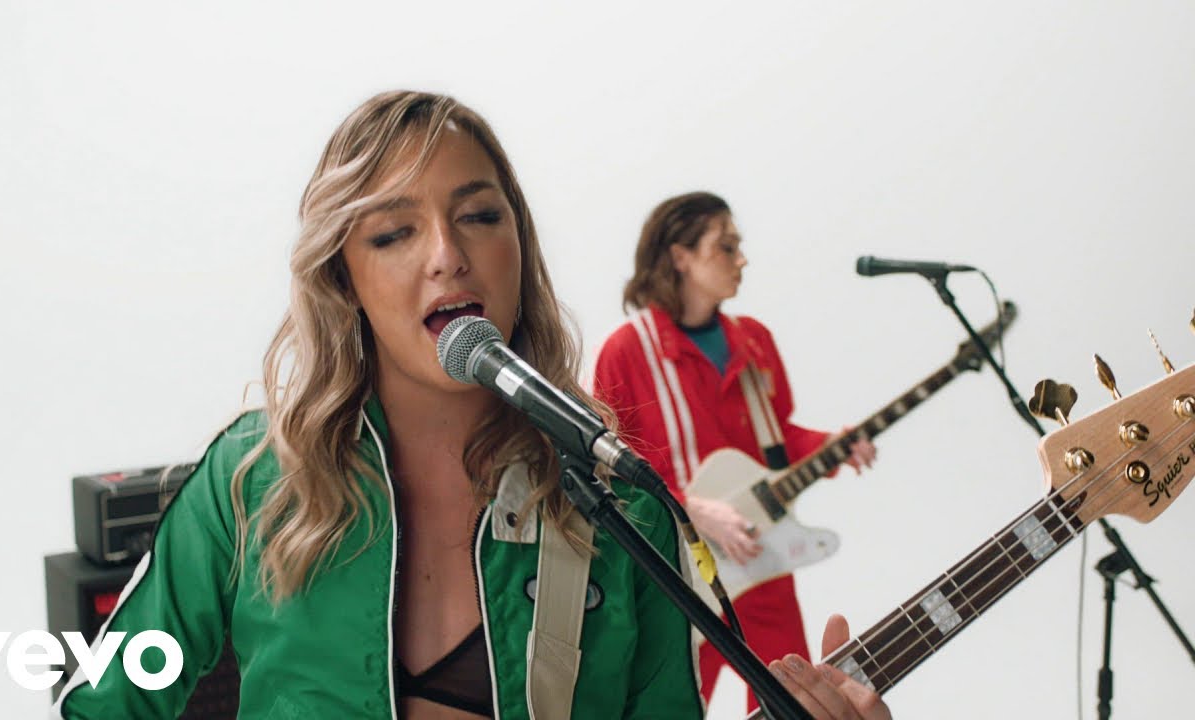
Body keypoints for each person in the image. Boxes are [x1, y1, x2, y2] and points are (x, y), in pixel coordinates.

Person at [54, 94, 888, 719]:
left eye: (480, 216)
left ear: (519, 246)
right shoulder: (253, 478)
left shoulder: (622, 506)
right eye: (393, 233)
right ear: (344, 276)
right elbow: (104, 706)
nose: (448, 256)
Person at [592, 191, 879, 712]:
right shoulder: (626, 351)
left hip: (762, 557)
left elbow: (775, 442)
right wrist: (692, 511)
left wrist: (830, 446)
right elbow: (607, 467)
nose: (741, 259)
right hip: (676, 575)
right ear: (680, 256)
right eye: (725, 247)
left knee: (789, 701)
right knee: (665, 705)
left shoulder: (754, 340)